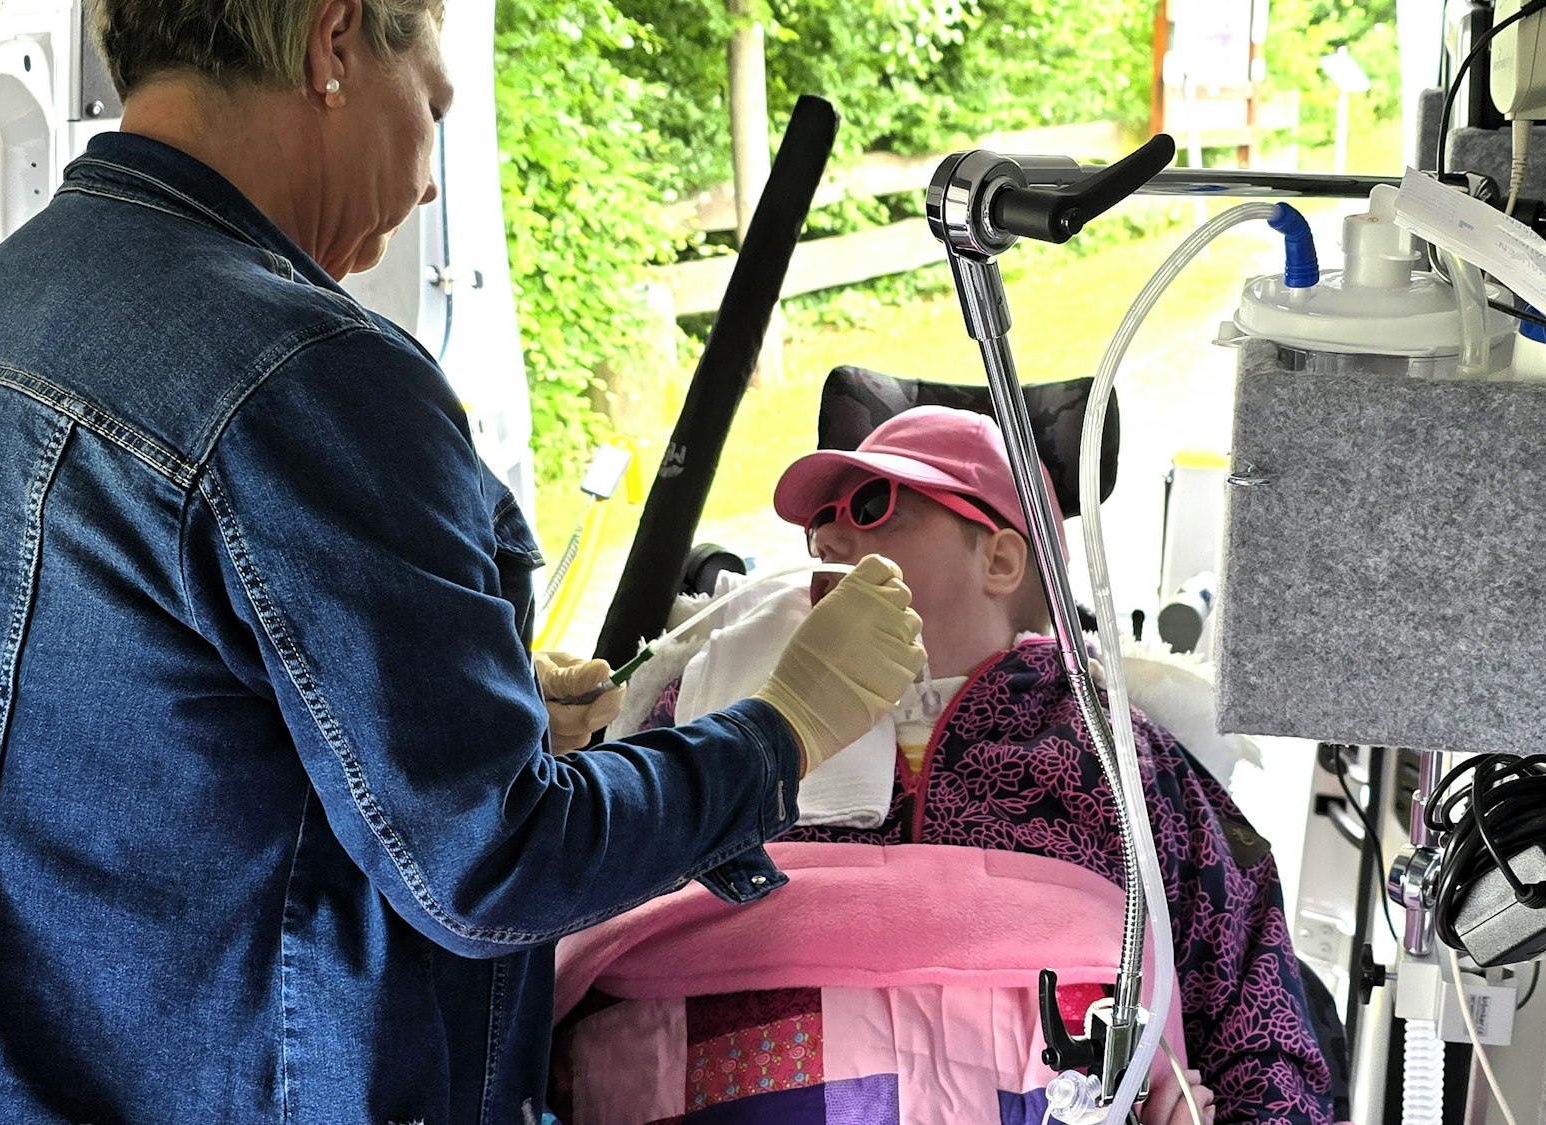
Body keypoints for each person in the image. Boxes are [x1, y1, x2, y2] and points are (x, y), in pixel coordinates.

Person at [0, 2, 924, 1121]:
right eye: (433, 105)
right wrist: (782, 728)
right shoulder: (312, 375)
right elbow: (493, 865)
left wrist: (472, 709)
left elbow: (141, 752)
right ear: (333, 44)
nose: (426, 182)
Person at [551, 408, 1335, 1125]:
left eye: (872, 508)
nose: (828, 540)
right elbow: (566, 891)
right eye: (820, 525)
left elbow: (1253, 1005)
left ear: (998, 558)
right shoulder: (717, 705)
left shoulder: (1110, 741)